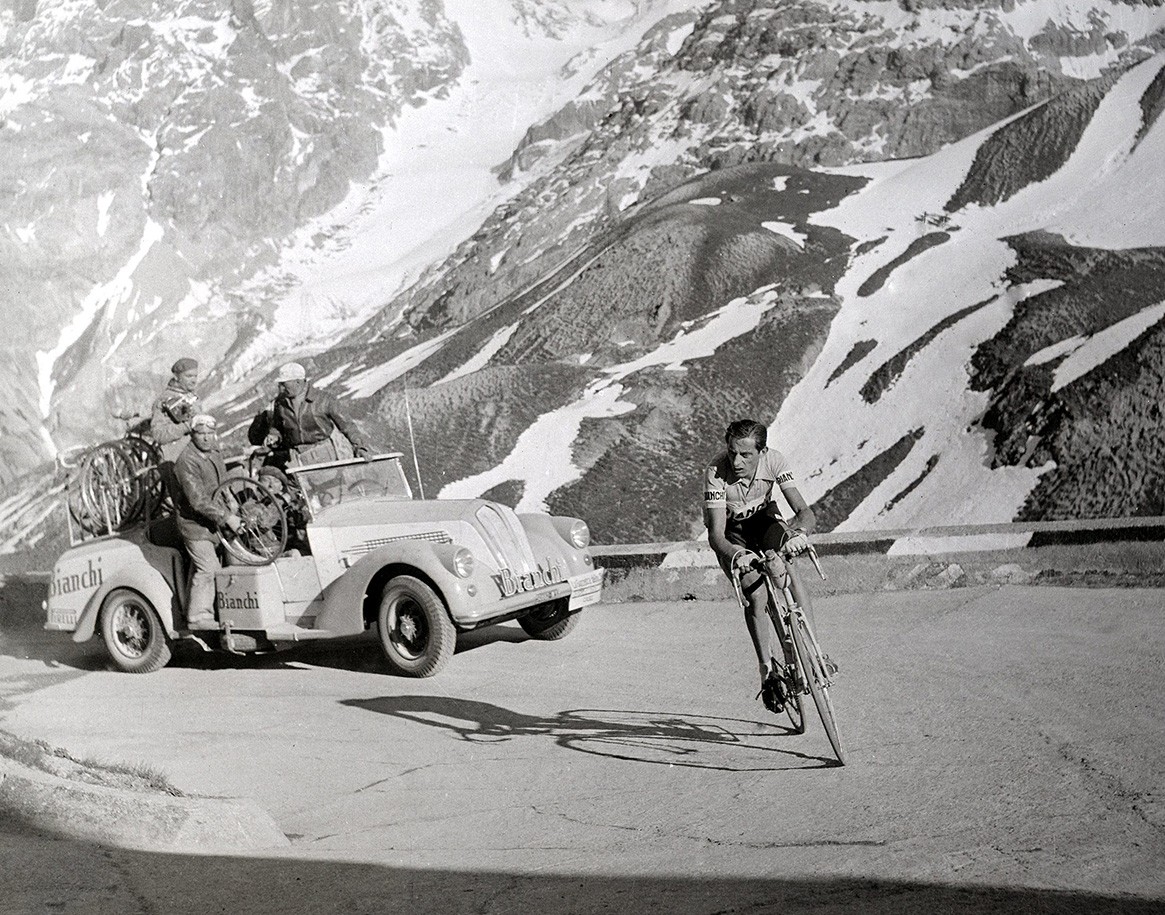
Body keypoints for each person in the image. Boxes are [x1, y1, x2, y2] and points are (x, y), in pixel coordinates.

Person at [702, 418, 830, 714]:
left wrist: (799, 534)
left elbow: (804, 511)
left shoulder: (775, 461)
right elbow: (716, 535)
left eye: (746, 455)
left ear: (762, 452)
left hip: (764, 520)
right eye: (732, 452)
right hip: (732, 531)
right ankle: (766, 670)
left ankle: (815, 651)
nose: (736, 461)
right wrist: (737, 556)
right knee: (756, 595)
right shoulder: (715, 472)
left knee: (788, 564)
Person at [173, 414, 241, 629]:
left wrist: (230, 499)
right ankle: (198, 615)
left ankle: (236, 609)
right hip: (196, 526)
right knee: (208, 567)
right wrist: (227, 517)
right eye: (201, 434)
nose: (206, 438)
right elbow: (198, 501)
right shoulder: (186, 462)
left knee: (238, 559)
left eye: (210, 433)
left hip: (216, 519)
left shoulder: (215, 453)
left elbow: (223, 481)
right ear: (192, 435)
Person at [247, 362, 370, 467]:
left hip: (324, 457)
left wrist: (360, 448)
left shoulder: (324, 400)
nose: (281, 388)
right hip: (297, 459)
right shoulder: (280, 403)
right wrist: (274, 435)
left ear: (298, 382)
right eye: (280, 385)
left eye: (284, 384)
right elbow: (277, 426)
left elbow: (347, 426)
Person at [150, 357, 202, 502]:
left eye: (195, 376)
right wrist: (185, 427)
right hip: (175, 460)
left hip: (196, 457)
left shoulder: (191, 397)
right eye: (189, 376)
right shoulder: (164, 401)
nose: (194, 380)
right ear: (176, 378)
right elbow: (158, 435)